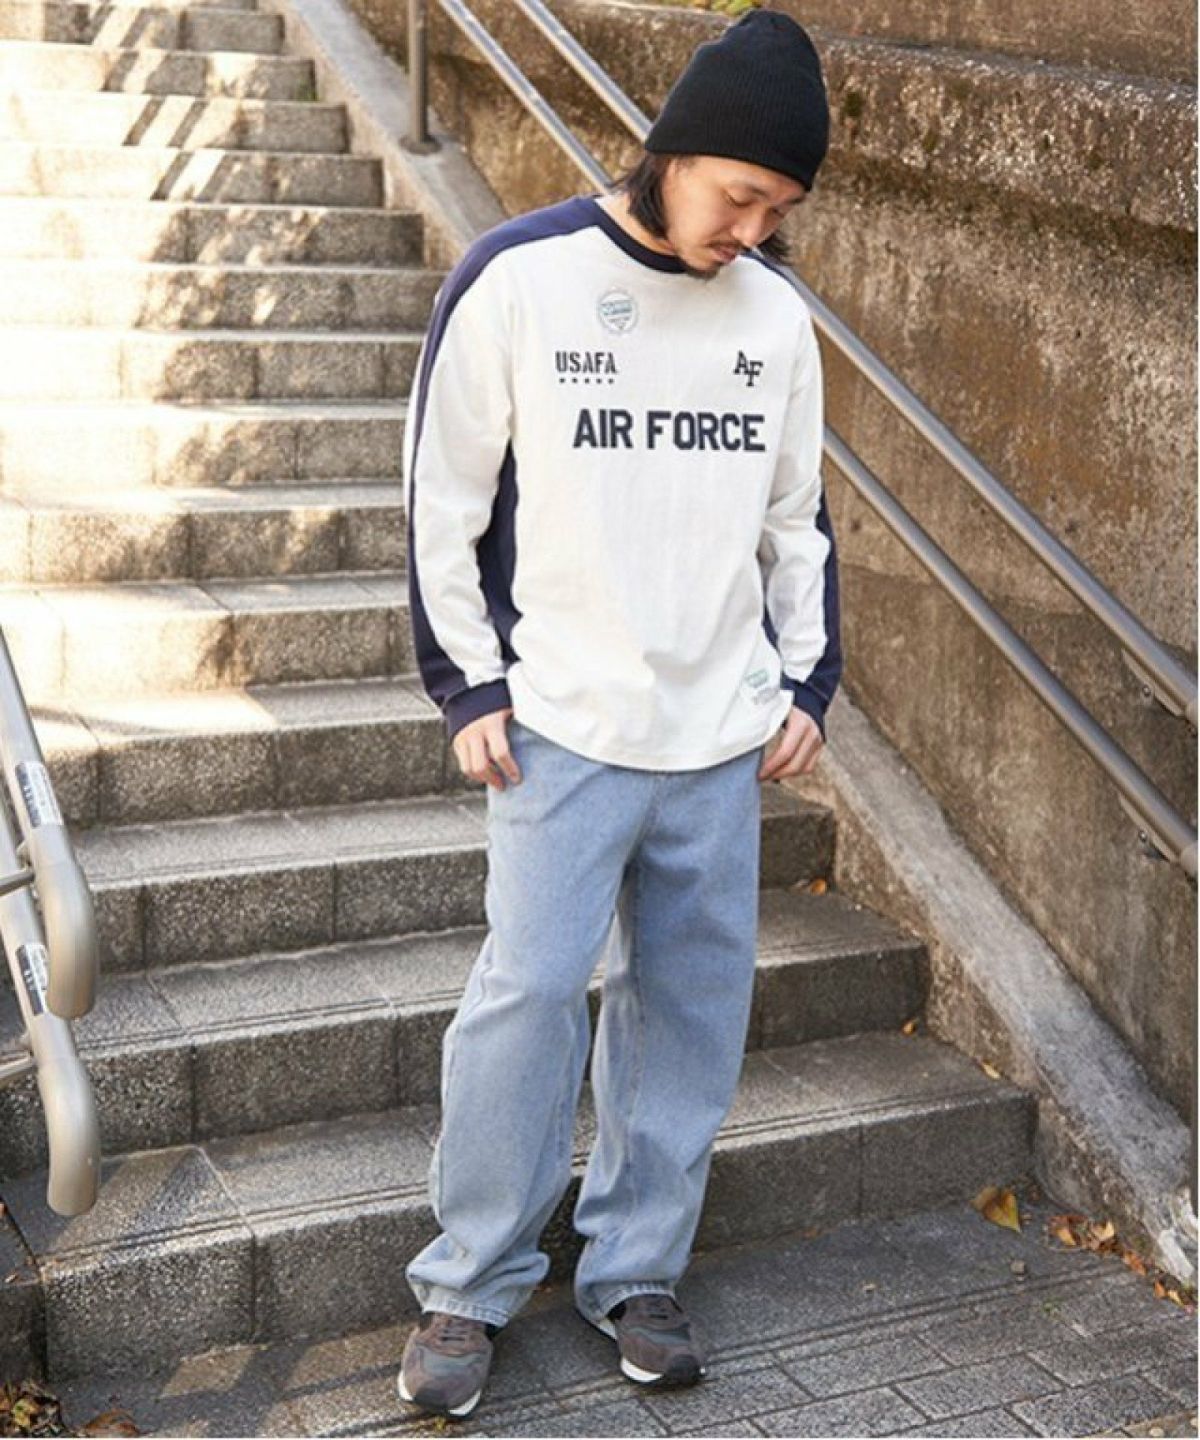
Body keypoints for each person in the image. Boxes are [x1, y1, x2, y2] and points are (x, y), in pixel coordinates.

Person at [397, 7, 841, 1419]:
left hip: (717, 735)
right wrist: (467, 682)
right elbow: (443, 499)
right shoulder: (520, 277)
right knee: (526, 1000)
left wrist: (807, 680)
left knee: (690, 1011)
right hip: (559, 726)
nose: (752, 233)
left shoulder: (774, 319)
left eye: (778, 212)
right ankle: (471, 1282)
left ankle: (636, 1267)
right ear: (674, 151)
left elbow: (797, 521)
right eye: (740, 197)